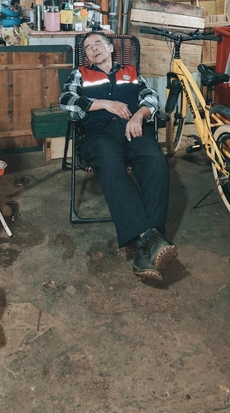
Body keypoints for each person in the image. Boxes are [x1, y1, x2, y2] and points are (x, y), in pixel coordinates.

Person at [60, 31, 177, 281]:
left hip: (133, 129)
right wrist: (104, 103)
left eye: (98, 43)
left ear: (111, 48)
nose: (93, 48)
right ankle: (151, 237)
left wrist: (138, 116)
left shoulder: (131, 72)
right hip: (98, 134)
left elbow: (151, 98)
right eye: (88, 47)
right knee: (111, 164)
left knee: (156, 162)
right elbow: (66, 99)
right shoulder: (81, 73)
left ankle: (145, 248)